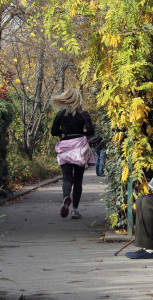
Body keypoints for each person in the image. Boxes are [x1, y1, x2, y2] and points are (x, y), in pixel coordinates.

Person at [51, 88, 95, 220]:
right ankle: (75, 210)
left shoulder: (60, 114)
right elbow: (91, 130)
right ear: (78, 99)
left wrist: (64, 133)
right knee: (78, 180)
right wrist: (82, 134)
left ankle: (66, 198)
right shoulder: (83, 114)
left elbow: (53, 132)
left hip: (64, 147)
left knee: (66, 178)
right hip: (79, 148)